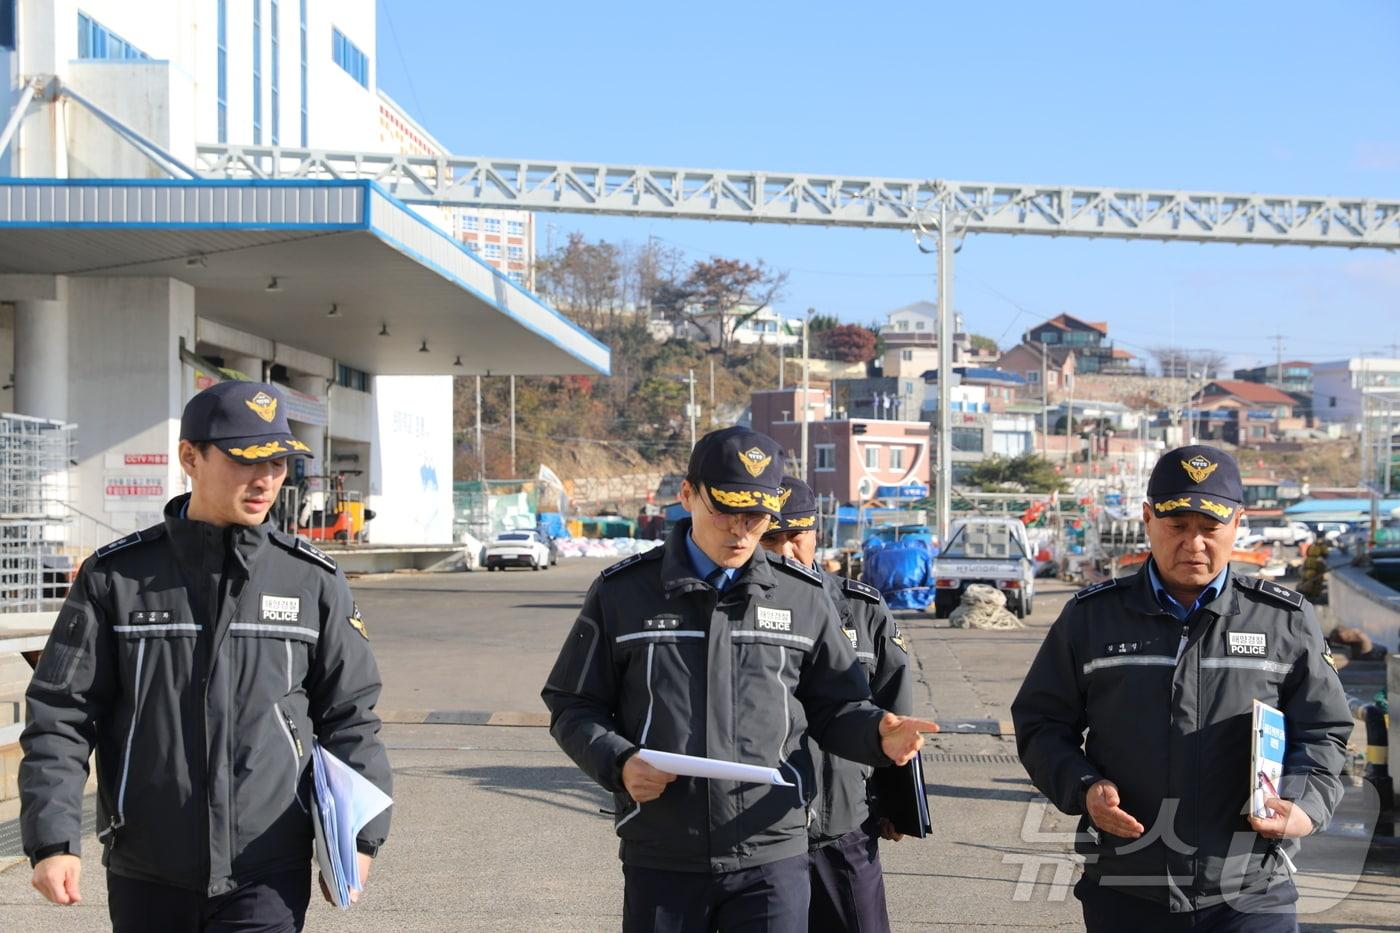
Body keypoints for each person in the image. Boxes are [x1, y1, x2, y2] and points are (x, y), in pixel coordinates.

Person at [21, 381, 393, 932]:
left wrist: (361, 839)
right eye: (246, 461)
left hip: (268, 870)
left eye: (278, 462)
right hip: (148, 870)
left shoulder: (313, 580)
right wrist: (52, 839)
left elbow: (351, 718)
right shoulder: (117, 578)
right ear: (190, 457)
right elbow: (61, 716)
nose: (266, 479)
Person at [542, 427, 936, 933]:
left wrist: (877, 733)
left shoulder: (802, 596)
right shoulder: (624, 593)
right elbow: (573, 703)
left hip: (772, 854)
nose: (742, 530)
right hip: (664, 854)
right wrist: (617, 762)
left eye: (757, 516)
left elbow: (836, 705)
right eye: (726, 509)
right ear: (687, 495)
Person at [1012, 445, 1352, 932]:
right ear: (1148, 519)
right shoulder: (1091, 617)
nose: (1194, 544)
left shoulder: (1286, 621)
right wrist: (1084, 788)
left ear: (1239, 523)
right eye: (1177, 527)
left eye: (1210, 529)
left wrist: (1301, 805)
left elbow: (1325, 731)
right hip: (1127, 887)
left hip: (1252, 889)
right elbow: (1042, 723)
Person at [759, 476, 913, 933]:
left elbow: (895, 705)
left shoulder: (862, 609)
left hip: (845, 823)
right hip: (761, 831)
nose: (785, 551)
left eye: (795, 537)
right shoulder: (730, 611)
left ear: (815, 534)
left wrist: (897, 802)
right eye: (770, 538)